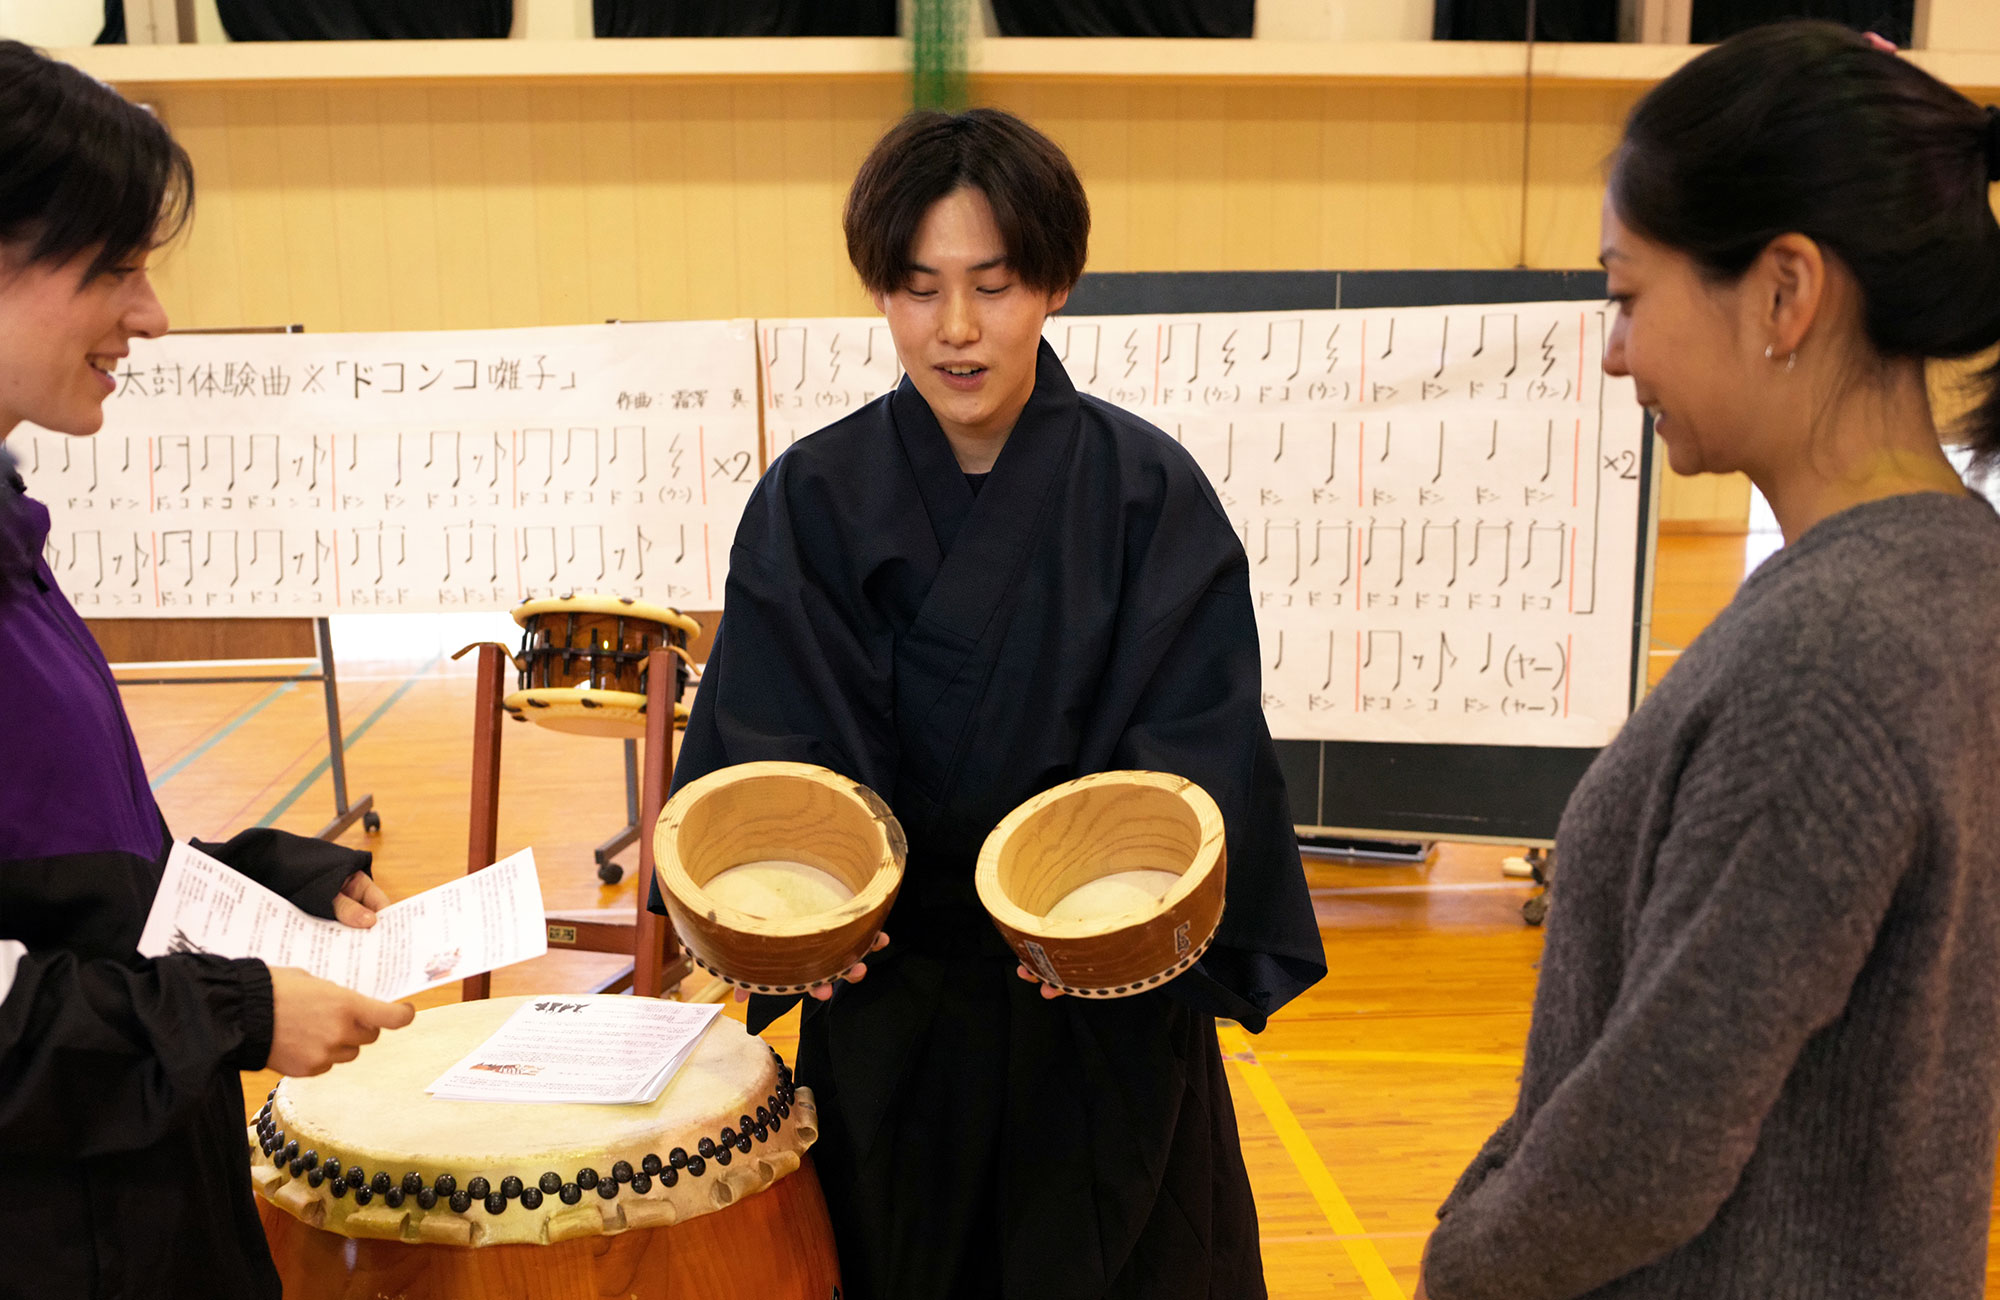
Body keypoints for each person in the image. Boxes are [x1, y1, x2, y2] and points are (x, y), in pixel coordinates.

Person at [654, 107, 1326, 1298]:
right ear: (878, 293)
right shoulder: (812, 499)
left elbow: (1199, 757)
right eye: (916, 290)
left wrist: (1104, 913)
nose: (954, 329)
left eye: (993, 285)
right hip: (889, 1011)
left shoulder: (1147, 495)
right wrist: (788, 919)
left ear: (1054, 284)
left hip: (1094, 1018)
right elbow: (760, 762)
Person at [1419, 22, 2000, 1300]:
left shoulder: (1828, 659)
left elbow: (1653, 1137)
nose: (1616, 350)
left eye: (1628, 295)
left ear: (1784, 293)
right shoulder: (1958, 573)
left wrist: (1462, 1261)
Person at [0, 41, 414, 1300]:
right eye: (111, 269)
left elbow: (58, 895)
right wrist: (228, 1013)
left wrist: (251, 883)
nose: (151, 314)